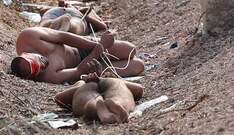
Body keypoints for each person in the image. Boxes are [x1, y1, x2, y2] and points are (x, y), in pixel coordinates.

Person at [10, 27, 144, 84]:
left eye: (39, 60)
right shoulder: (48, 76)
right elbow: (79, 70)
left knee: (131, 49)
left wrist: (95, 44)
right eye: (40, 68)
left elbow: (63, 36)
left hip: (82, 47)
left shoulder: (27, 37)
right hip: (90, 63)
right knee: (138, 66)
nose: (44, 63)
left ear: (27, 54)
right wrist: (100, 48)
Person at [55, 73, 143, 125]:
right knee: (118, 89)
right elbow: (139, 89)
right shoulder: (113, 79)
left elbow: (59, 98)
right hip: (108, 81)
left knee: (88, 97)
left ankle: (96, 108)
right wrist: (101, 79)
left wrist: (83, 83)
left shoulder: (81, 83)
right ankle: (119, 104)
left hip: (87, 86)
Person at [39, 2, 107, 35]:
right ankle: (69, 25)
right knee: (76, 24)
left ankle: (48, 25)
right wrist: (85, 15)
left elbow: (42, 11)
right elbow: (103, 26)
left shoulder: (87, 12)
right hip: (74, 15)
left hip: (56, 11)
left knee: (47, 20)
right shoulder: (91, 16)